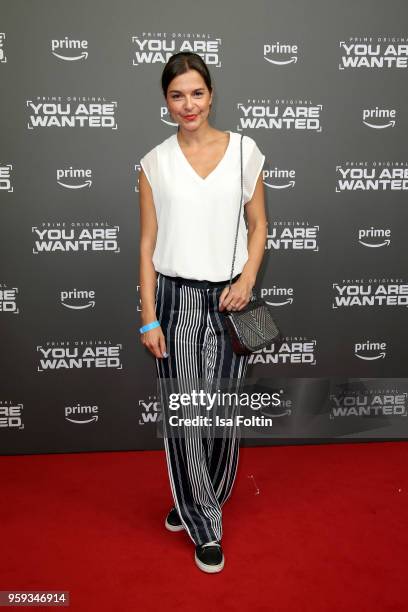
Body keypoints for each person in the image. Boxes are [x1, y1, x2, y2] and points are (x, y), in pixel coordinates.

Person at [138, 51, 267, 573]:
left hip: (236, 299)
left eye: (196, 93)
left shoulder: (245, 151)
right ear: (165, 102)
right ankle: (203, 520)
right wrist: (149, 316)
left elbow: (258, 226)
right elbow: (147, 242)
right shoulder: (154, 163)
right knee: (187, 410)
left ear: (211, 95)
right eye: (176, 95)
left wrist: (247, 280)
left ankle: (203, 494)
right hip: (177, 297)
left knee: (224, 410)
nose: (187, 104)